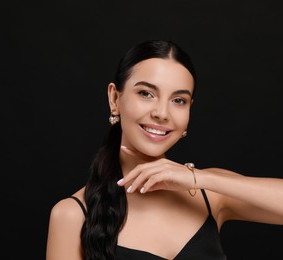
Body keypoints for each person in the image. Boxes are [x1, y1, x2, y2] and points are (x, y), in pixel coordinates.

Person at [45, 40, 283, 260]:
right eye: (146, 94)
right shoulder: (72, 215)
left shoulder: (207, 194)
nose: (162, 113)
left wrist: (198, 178)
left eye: (179, 100)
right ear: (114, 99)